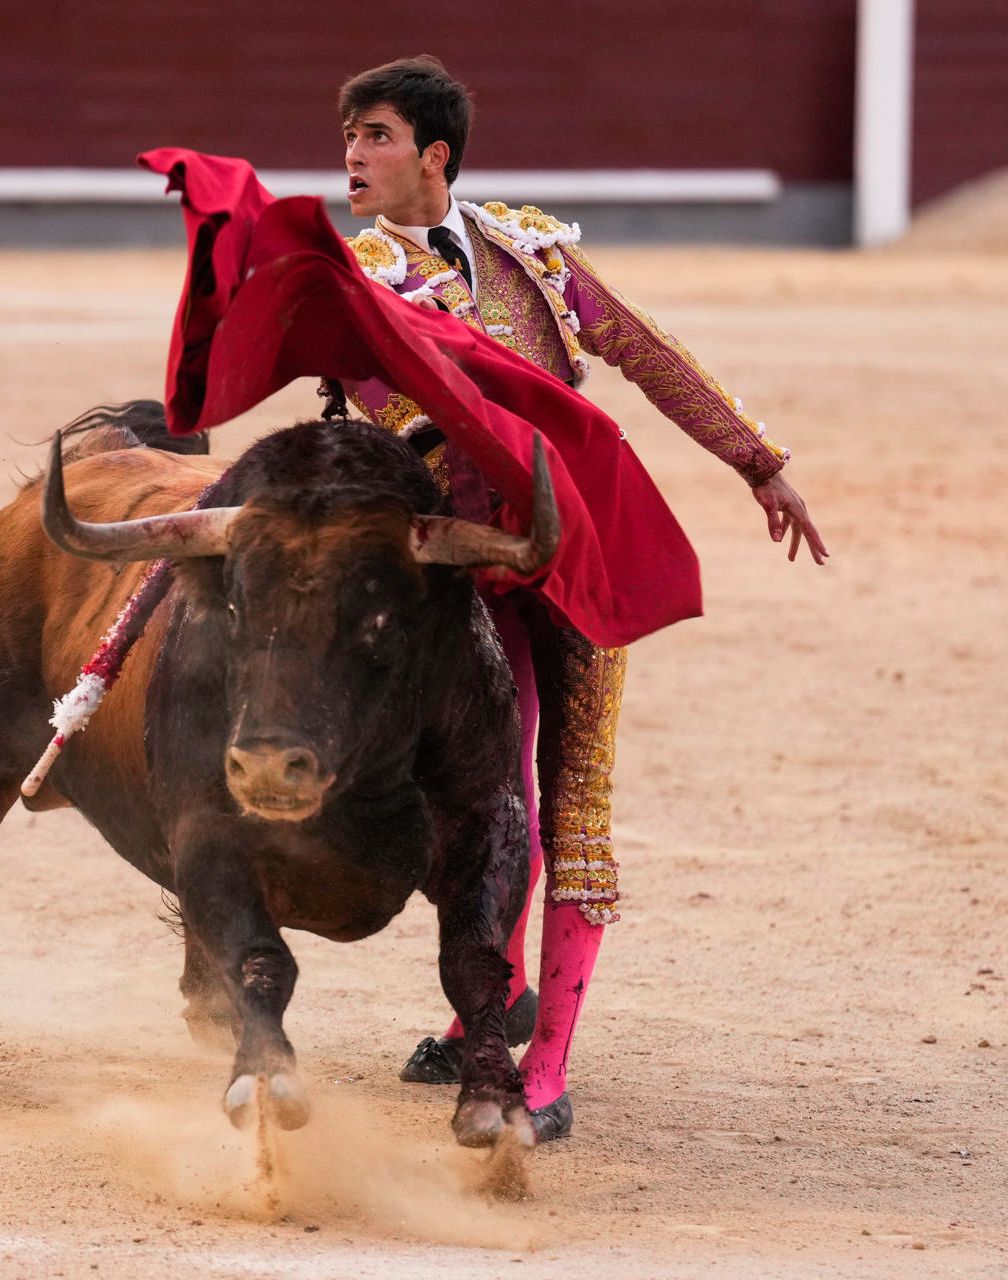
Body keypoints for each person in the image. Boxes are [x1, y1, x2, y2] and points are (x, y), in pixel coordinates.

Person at [333, 55, 828, 1141]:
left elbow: (643, 353)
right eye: (347, 136)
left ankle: (544, 1064)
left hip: (578, 558)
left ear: (432, 154)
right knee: (481, 794)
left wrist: (755, 460)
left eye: (371, 134)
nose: (350, 155)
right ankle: (492, 1008)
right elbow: (376, 403)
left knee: (576, 807)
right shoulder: (355, 280)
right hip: (460, 569)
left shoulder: (528, 249)